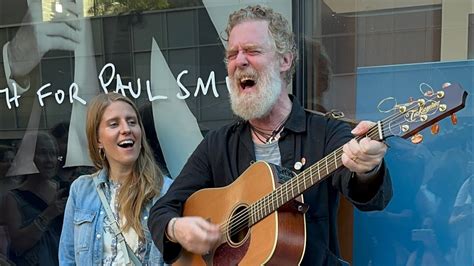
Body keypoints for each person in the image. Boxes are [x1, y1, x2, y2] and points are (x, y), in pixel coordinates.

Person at [148, 5, 392, 265]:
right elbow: (162, 210)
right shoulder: (217, 145)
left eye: (252, 51)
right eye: (232, 54)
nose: (240, 61)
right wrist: (177, 228)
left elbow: (370, 198)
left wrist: (367, 169)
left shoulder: (326, 133)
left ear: (284, 61)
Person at [59, 92, 172, 265]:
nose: (126, 129)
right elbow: (68, 259)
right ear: (98, 140)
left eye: (132, 122)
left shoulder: (165, 190)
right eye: (114, 124)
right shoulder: (81, 190)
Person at [0, 132, 65, 265]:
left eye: (53, 154)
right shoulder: (13, 197)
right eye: (43, 153)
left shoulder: (64, 190)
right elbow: (19, 245)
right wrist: (48, 214)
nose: (49, 160)